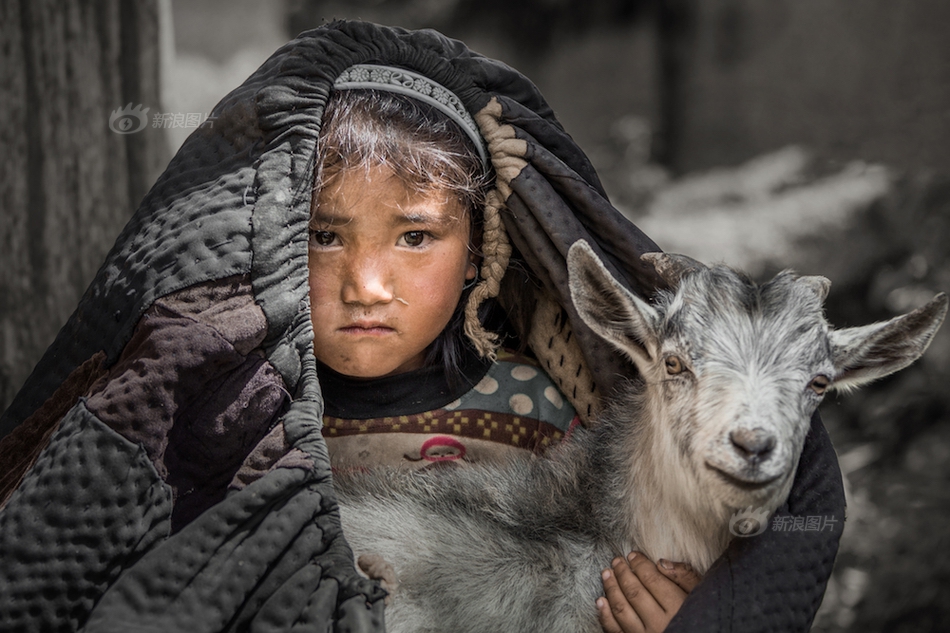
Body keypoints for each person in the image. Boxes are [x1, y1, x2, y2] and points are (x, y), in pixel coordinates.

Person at [0, 20, 845, 633]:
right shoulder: (229, 417)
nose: (367, 282)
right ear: (272, 241)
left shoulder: (567, 412)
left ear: (479, 247)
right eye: (324, 234)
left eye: (415, 235)